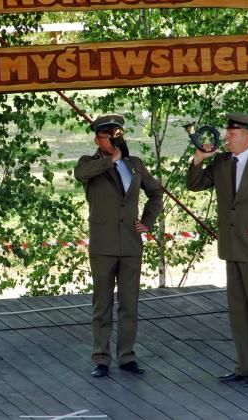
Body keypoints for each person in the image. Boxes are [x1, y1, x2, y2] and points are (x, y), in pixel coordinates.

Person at [186, 112, 248, 386]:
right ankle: (244, 366)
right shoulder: (221, 162)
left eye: (232, 133)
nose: (226, 136)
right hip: (231, 247)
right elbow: (194, 184)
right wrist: (199, 159)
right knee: (238, 311)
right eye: (227, 132)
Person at [74, 114, 163, 378]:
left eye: (117, 136)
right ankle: (101, 357)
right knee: (102, 304)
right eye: (107, 137)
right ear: (97, 140)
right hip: (103, 245)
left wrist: (147, 222)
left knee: (129, 304)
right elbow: (80, 175)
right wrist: (109, 161)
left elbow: (156, 193)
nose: (113, 142)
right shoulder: (88, 163)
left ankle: (127, 356)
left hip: (130, 244)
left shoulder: (134, 164)